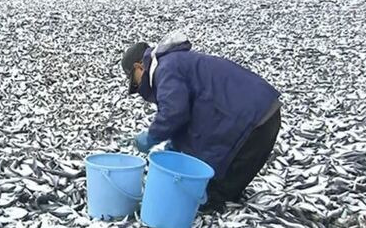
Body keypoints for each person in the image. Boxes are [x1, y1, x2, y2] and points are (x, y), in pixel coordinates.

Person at [121, 31, 282, 212]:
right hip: (256, 114)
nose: (136, 87)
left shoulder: (166, 69)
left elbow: (174, 112)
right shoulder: (173, 63)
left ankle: (222, 227)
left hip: (254, 119)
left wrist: (151, 137)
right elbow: (188, 116)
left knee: (216, 194)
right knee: (217, 184)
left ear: (139, 67)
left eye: (133, 81)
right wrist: (175, 146)